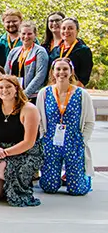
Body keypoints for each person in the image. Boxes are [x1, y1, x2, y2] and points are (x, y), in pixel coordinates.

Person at [0, 74, 44, 207]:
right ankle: (6, 187)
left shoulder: (29, 109)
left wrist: (4, 153)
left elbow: (29, 142)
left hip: (27, 152)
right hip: (2, 151)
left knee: (4, 168)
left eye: (8, 87)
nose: (4, 90)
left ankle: (20, 186)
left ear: (16, 89)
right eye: (0, 87)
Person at [38, 58, 95, 196]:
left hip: (74, 141)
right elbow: (39, 119)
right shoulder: (45, 93)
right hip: (51, 141)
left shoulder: (81, 94)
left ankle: (83, 179)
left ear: (71, 72)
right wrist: (43, 138)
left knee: (77, 190)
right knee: (49, 187)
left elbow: (89, 121)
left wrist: (82, 140)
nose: (61, 72)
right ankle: (59, 177)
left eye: (65, 69)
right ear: (53, 72)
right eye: (58, 69)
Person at [5, 21, 48, 100]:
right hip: (14, 95)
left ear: (35, 35)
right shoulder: (13, 52)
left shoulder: (40, 51)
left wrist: (25, 94)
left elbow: (40, 76)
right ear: (19, 35)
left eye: (29, 34)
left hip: (32, 96)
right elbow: (6, 72)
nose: (26, 36)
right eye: (23, 33)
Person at [48, 18, 93, 87]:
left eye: (70, 28)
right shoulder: (55, 51)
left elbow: (84, 78)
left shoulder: (83, 51)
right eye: (63, 28)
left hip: (74, 90)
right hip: (54, 90)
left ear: (77, 31)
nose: (66, 31)